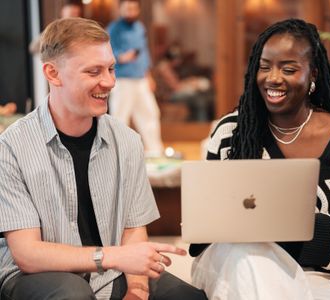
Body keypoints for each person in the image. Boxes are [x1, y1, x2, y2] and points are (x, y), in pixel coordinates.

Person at [0, 18, 207, 300]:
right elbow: (28, 254)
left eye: (111, 68)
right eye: (94, 71)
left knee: (187, 297)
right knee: (72, 294)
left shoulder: (128, 141)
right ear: (53, 73)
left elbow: (134, 230)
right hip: (34, 275)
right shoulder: (11, 147)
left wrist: (137, 290)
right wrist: (112, 257)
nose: (109, 82)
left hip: (112, 269)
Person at [189, 18, 330, 300]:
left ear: (313, 74)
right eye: (264, 67)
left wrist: (292, 226)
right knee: (248, 255)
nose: (273, 78)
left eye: (288, 69)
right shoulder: (231, 131)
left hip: (316, 274)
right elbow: (204, 229)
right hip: (228, 261)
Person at [108, 0, 163, 157]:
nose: (130, 12)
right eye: (127, 9)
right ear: (120, 9)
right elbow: (107, 52)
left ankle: (155, 152)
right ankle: (118, 155)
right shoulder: (114, 28)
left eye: (133, 9)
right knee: (120, 118)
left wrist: (149, 76)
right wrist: (121, 57)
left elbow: (144, 52)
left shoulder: (140, 27)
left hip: (141, 79)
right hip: (122, 79)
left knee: (150, 113)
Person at [154, 47, 214, 121]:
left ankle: (196, 121)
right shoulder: (164, 68)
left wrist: (189, 82)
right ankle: (201, 124)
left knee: (197, 97)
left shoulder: (167, 67)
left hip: (171, 93)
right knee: (198, 99)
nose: (180, 61)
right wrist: (191, 84)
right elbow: (175, 87)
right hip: (168, 96)